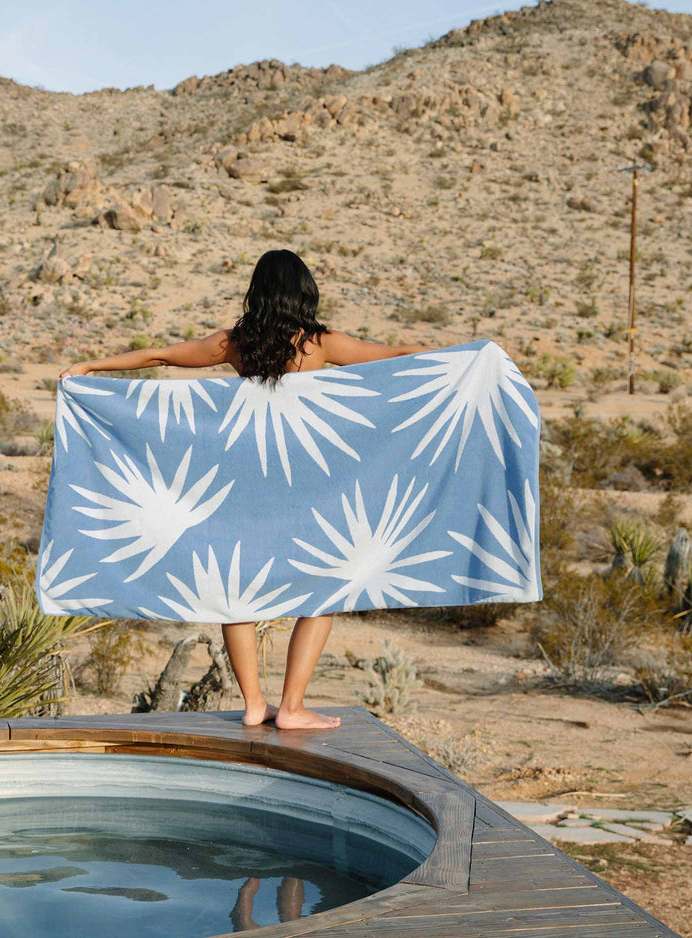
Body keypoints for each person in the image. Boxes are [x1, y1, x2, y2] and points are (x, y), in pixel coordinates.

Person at [57, 248, 440, 730]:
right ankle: (293, 707)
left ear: (257, 292)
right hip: (311, 487)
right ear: (304, 292)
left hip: (246, 484)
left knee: (237, 592)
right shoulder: (321, 344)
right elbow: (397, 358)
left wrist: (90, 366)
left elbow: (161, 355)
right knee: (323, 592)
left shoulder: (234, 344)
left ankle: (256, 704)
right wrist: (469, 356)